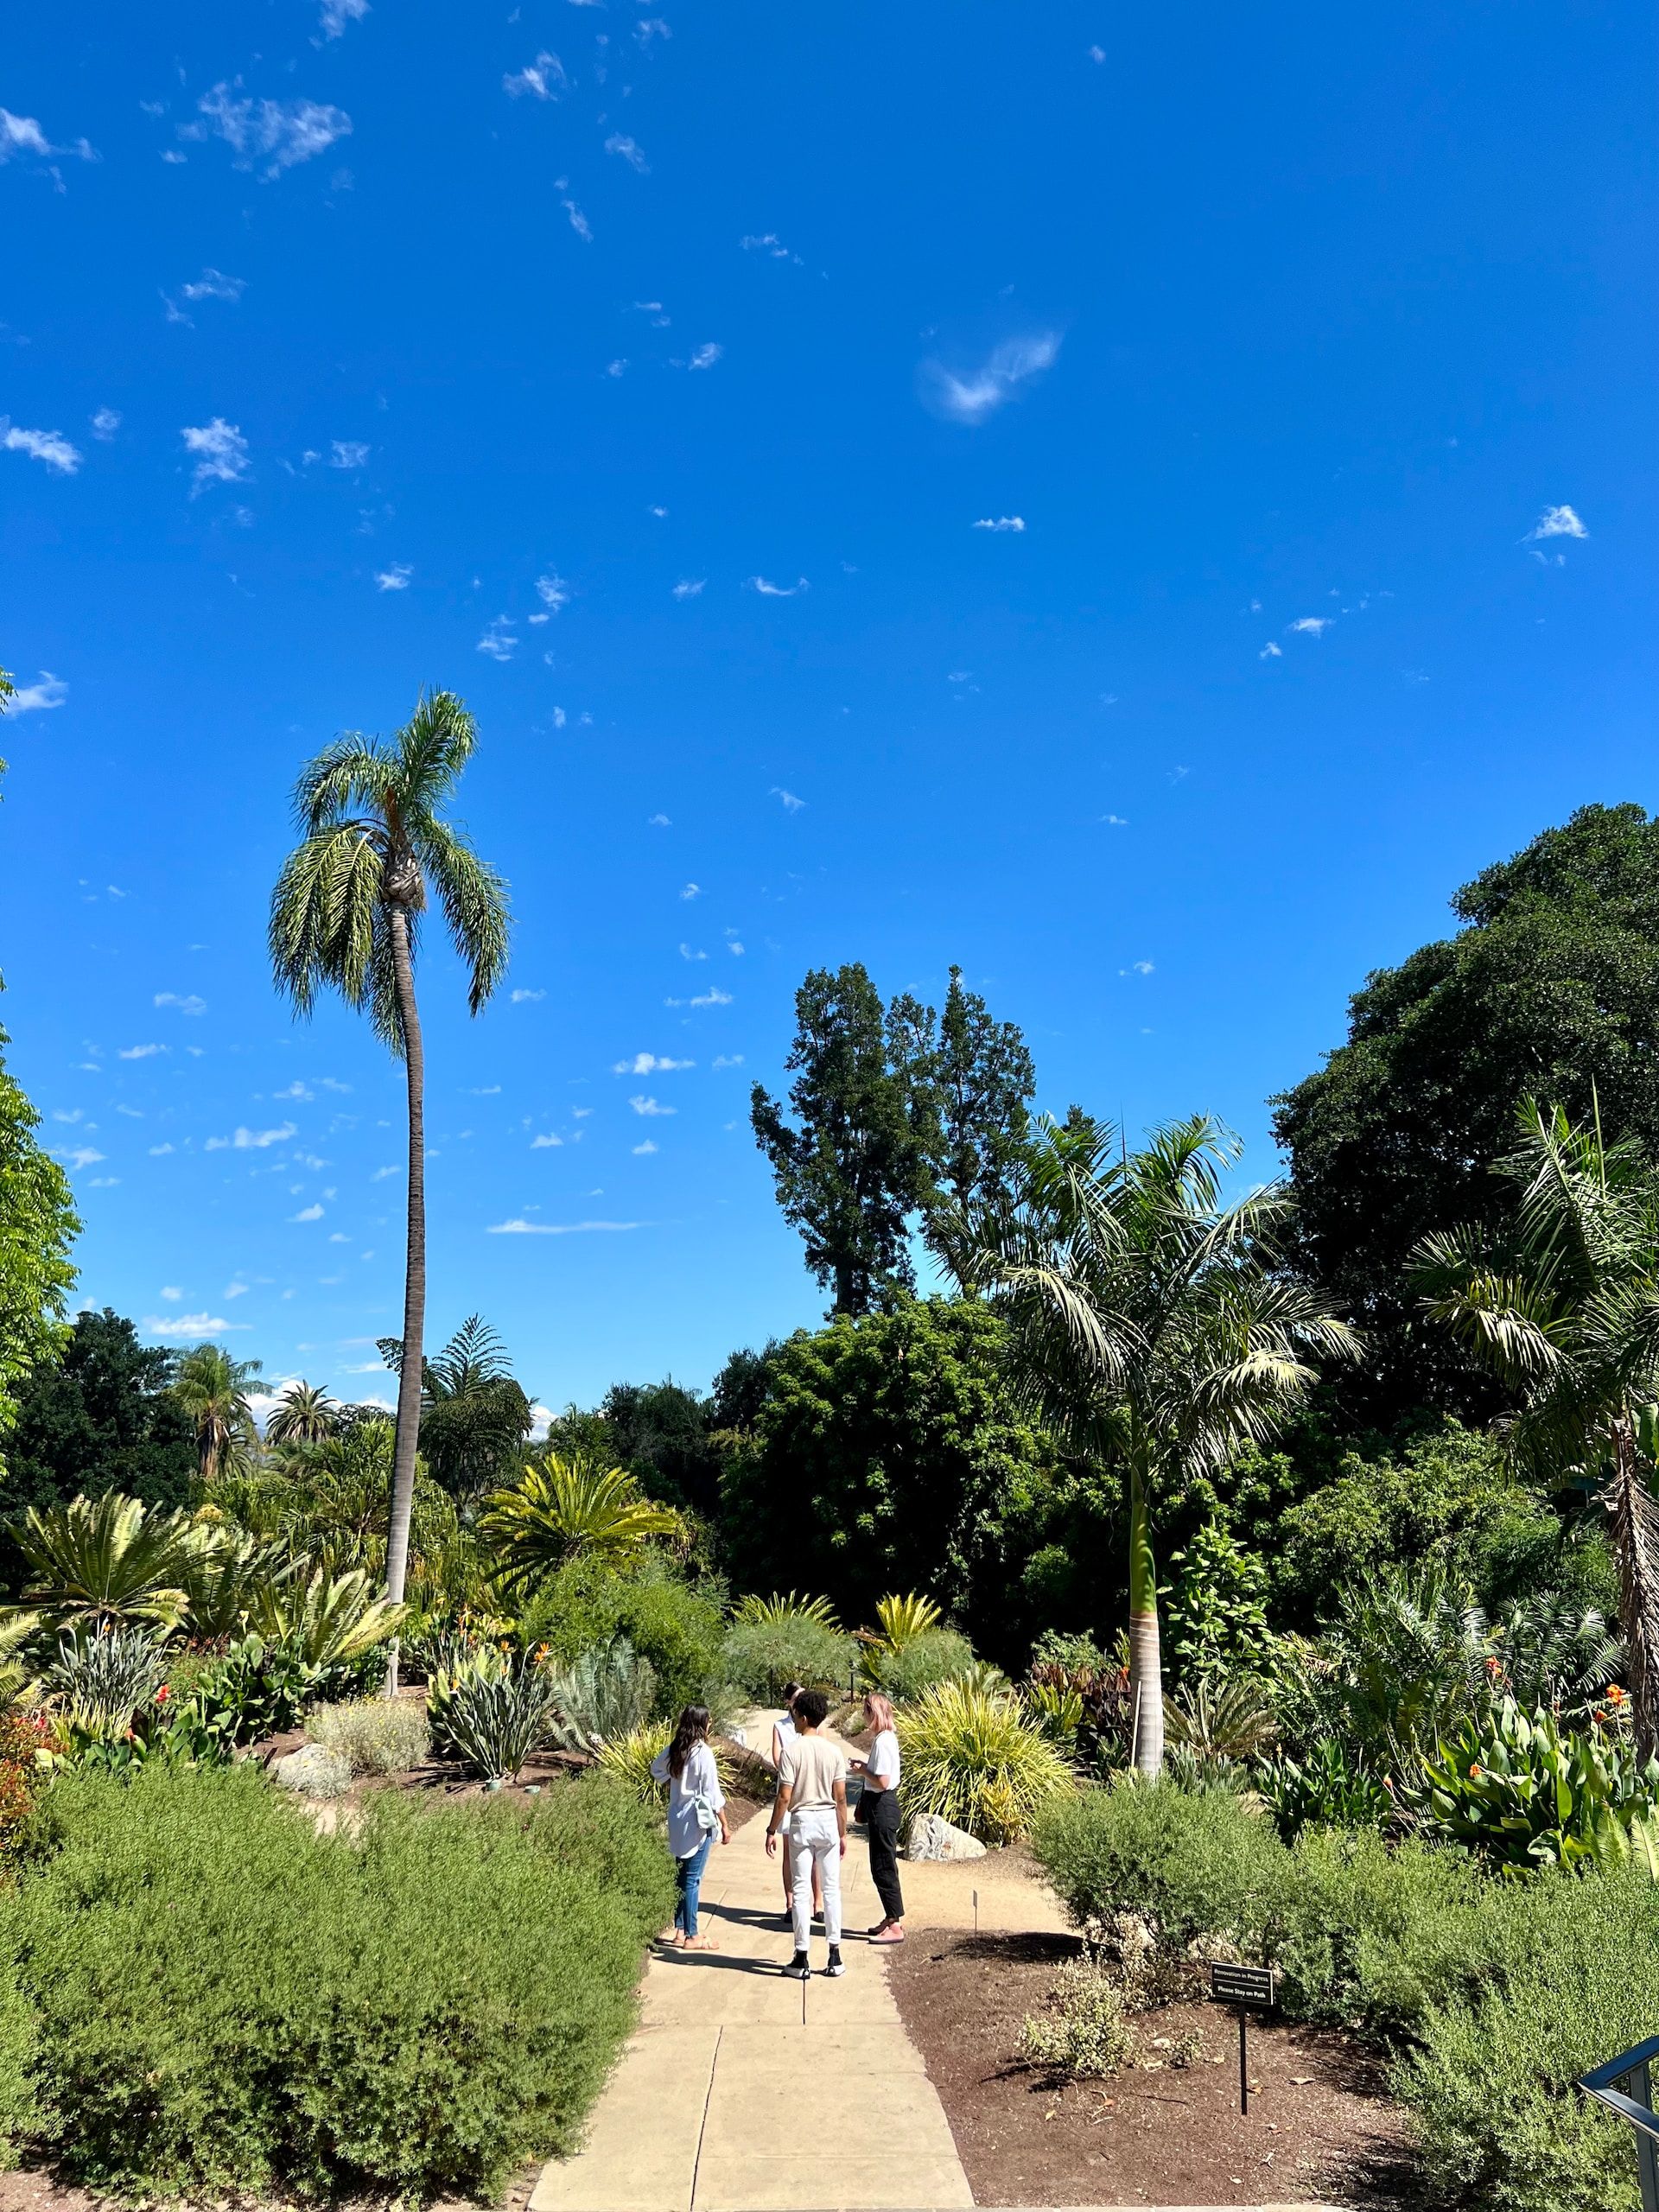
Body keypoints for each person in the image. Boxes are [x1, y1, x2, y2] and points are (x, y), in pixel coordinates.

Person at [766, 1686, 847, 1979]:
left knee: (801, 1889)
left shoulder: (792, 1751)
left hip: (802, 1821)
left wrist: (772, 1829)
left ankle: (801, 1957)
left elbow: (784, 1797)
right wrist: (843, 1832)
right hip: (827, 1821)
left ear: (802, 1717)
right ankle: (835, 1955)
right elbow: (840, 1798)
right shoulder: (833, 1752)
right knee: (831, 1889)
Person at [651, 1705, 730, 1951]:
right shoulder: (703, 1753)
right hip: (697, 1822)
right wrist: (725, 1825)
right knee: (693, 1879)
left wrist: (671, 1786)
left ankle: (680, 1929)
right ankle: (693, 1935)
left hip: (677, 1818)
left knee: (681, 1875)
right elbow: (712, 1794)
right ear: (701, 1724)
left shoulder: (676, 1749)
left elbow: (655, 1768)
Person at [850, 1691, 905, 1942]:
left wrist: (862, 1771)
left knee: (884, 1866)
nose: (864, 1716)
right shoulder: (885, 1739)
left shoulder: (884, 1741)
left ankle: (895, 1925)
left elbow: (882, 1781)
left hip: (882, 1805)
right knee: (880, 1864)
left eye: (866, 1711)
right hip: (881, 1806)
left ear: (875, 1713)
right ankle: (890, 1918)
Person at [770, 1683, 823, 1928]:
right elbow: (777, 1758)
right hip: (790, 1790)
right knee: (789, 1853)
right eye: (796, 1697)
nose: (801, 1699)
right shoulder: (781, 1727)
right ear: (788, 1703)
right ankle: (790, 1902)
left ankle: (817, 1903)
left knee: (814, 1855)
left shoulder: (816, 1726)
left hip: (810, 1792)